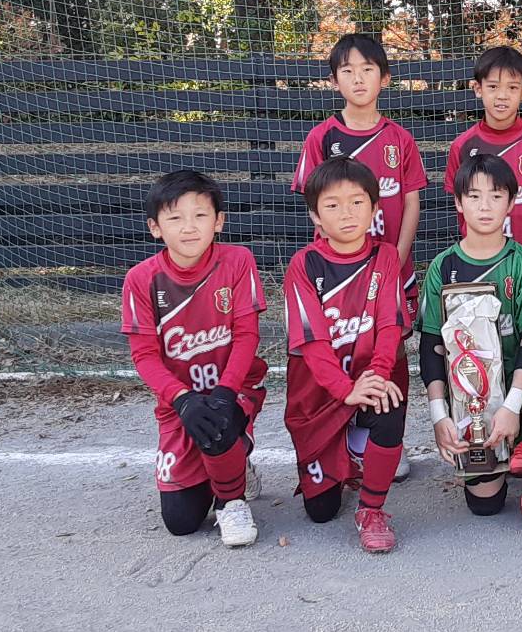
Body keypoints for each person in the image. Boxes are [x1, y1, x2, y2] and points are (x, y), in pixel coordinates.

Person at [292, 32, 427, 482]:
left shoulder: (399, 138)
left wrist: (394, 260)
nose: (358, 78)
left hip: (390, 267)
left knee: (392, 345)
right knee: (343, 343)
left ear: (384, 78)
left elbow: (411, 202)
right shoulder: (321, 137)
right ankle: (345, 427)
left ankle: (386, 434)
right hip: (339, 272)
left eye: (367, 69)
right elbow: (315, 205)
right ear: (334, 81)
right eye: (347, 71)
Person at [417, 154, 522, 536]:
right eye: (474, 196)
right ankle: (507, 448)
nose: (485, 206)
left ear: (511, 202)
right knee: (484, 506)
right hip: (472, 392)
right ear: (458, 202)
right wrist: (439, 416)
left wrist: (511, 405)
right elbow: (432, 345)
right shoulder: (442, 267)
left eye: (496, 195)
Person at [121, 170, 268, 547]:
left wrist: (226, 391)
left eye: (200, 215)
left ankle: (232, 501)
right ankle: (233, 461)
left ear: (218, 221)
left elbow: (247, 335)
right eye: (175, 217)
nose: (189, 227)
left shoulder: (238, 261)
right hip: (180, 401)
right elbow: (144, 355)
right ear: (155, 228)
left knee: (219, 422)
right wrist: (182, 398)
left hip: (233, 389)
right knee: (181, 522)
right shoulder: (140, 279)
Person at [281, 157, 409, 553]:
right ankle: (345, 448)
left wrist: (379, 375)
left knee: (389, 401)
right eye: (333, 205)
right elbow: (313, 343)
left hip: (369, 378)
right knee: (320, 511)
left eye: (357, 202)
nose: (347, 213)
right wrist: (345, 390)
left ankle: (371, 509)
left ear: (374, 208)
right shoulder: (304, 264)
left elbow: (389, 326)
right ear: (315, 216)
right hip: (320, 393)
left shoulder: (386, 256)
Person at [445, 45, 522, 269]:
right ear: (477, 88)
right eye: (493, 86)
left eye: (512, 87)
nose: (502, 95)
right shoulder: (462, 146)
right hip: (480, 259)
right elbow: (460, 205)